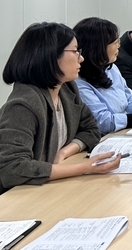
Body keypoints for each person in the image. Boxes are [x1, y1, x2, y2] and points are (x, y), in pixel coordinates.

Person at [0, 23, 120, 194]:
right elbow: (12, 168)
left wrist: (64, 152)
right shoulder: (23, 105)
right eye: (75, 51)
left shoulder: (67, 89)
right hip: (19, 195)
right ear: (51, 56)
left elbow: (91, 129)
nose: (81, 58)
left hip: (48, 188)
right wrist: (84, 167)